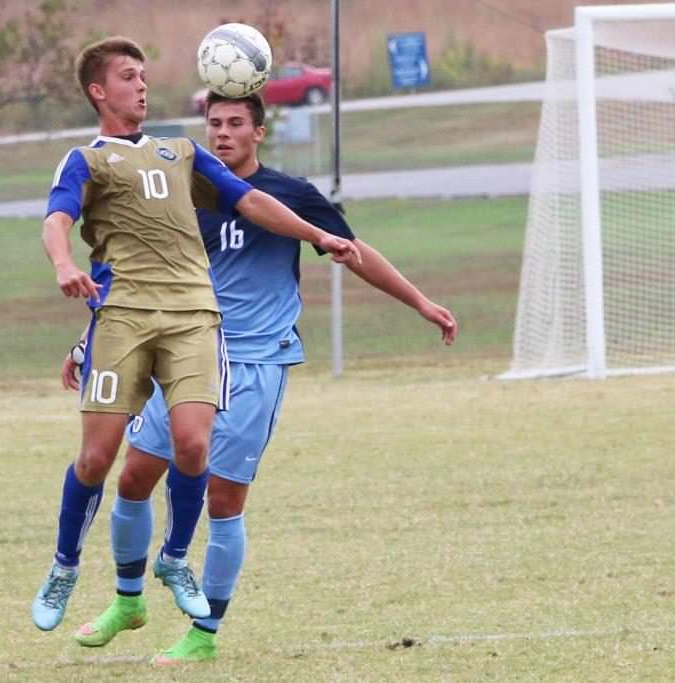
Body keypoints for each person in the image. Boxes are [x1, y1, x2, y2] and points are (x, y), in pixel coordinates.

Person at [65, 91, 458, 664]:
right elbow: (131, 274)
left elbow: (354, 250)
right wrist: (87, 341)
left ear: (259, 133)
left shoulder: (290, 197)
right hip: (185, 355)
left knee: (223, 499)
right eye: (214, 124)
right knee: (132, 477)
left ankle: (204, 636)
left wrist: (421, 303)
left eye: (234, 124)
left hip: (255, 363)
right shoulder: (181, 191)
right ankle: (128, 602)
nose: (222, 133)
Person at [32, 38, 360, 633]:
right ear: (98, 92)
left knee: (193, 450)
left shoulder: (179, 152)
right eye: (128, 77)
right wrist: (63, 266)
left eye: (144, 75)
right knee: (103, 460)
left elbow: (252, 200)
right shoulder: (86, 160)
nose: (142, 85)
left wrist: (319, 235)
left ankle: (176, 560)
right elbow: (57, 218)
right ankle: (67, 568)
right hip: (126, 321)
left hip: (192, 323)